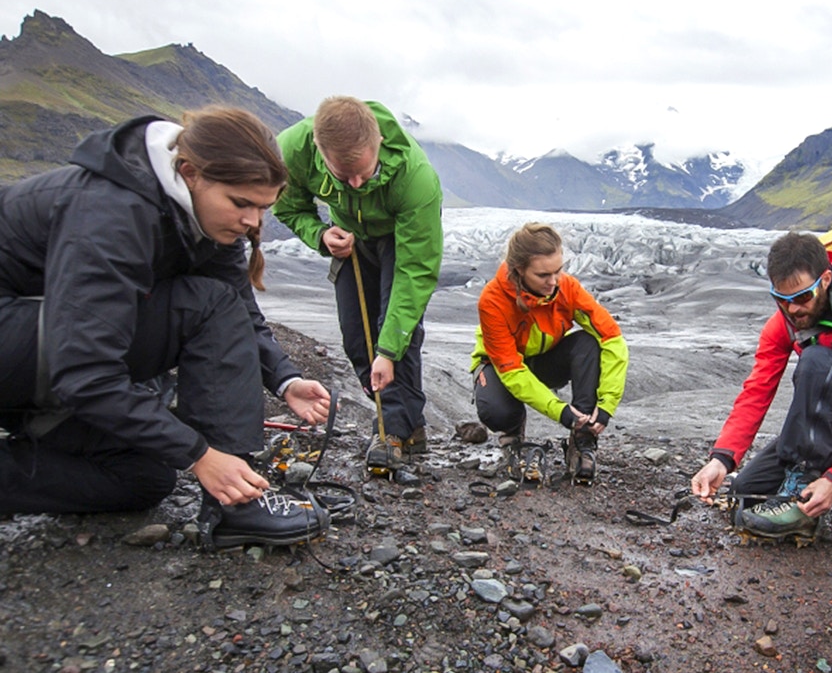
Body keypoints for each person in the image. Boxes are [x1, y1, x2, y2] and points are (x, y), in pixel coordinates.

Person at [0, 107, 333, 548]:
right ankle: (235, 509)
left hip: (37, 347)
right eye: (241, 203)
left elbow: (239, 310)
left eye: (263, 208)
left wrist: (285, 379)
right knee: (204, 306)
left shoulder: (208, 224)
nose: (254, 222)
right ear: (191, 173)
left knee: (142, 475)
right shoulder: (111, 212)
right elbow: (85, 372)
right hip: (18, 340)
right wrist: (201, 454)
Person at [690, 231, 832, 541]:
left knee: (818, 361)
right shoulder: (783, 323)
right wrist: (722, 459)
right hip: (823, 425)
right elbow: (756, 392)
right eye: (781, 299)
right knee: (745, 492)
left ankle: (807, 495)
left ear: (825, 279)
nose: (793, 309)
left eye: (802, 297)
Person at [272, 96, 442, 475]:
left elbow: (415, 274)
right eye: (343, 176)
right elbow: (286, 205)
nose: (356, 184)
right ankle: (410, 425)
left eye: (364, 173)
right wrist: (318, 234)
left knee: (396, 332)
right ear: (319, 151)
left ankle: (391, 431)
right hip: (348, 237)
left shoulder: (417, 179)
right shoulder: (292, 150)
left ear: (378, 140)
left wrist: (388, 347)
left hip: (400, 238)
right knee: (355, 338)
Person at [470, 223, 628, 483]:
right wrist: (560, 412)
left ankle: (583, 437)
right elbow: (511, 370)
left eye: (558, 271)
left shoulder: (566, 288)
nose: (553, 282)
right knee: (496, 411)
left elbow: (611, 338)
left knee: (588, 344)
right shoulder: (493, 300)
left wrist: (607, 404)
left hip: (543, 362)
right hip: (501, 368)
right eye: (543, 274)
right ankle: (512, 435)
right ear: (519, 270)